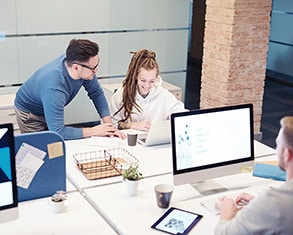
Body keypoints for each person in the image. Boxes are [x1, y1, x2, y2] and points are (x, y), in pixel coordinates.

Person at [14, 39, 125, 140]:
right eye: (93, 68)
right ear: (76, 67)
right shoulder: (54, 87)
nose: (96, 70)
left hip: (47, 104)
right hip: (30, 113)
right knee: (40, 152)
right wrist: (94, 131)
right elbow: (58, 132)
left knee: (55, 147)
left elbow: (96, 93)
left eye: (97, 64)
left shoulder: (82, 67)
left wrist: (109, 127)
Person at [215, 116, 293, 234]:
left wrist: (226, 212)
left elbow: (222, 233)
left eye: (277, 145)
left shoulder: (274, 203)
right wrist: (260, 207)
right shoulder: (275, 204)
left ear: (287, 154)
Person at [110, 49, 186, 131]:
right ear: (136, 76)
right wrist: (132, 125)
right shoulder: (121, 94)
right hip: (128, 141)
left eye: (151, 81)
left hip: (155, 140)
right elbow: (113, 124)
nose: (147, 86)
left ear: (156, 78)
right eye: (143, 80)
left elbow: (181, 114)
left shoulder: (163, 95)